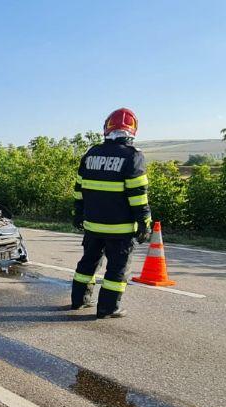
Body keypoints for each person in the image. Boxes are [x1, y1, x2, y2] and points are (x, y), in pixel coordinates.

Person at [71, 108, 151, 319]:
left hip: (92, 225)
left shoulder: (91, 154)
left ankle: (78, 301)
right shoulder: (133, 156)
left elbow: (79, 189)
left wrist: (78, 214)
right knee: (117, 270)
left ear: (106, 129)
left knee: (87, 263)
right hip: (120, 228)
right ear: (132, 131)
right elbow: (138, 195)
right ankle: (108, 308)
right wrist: (144, 222)